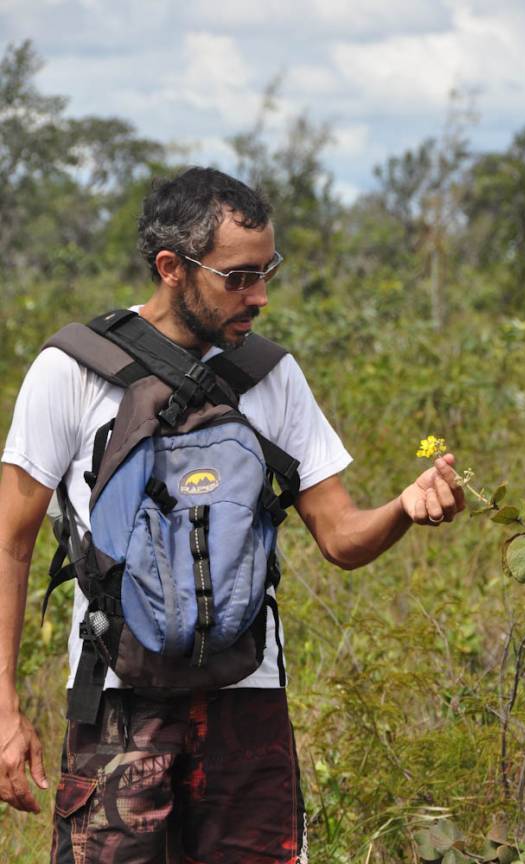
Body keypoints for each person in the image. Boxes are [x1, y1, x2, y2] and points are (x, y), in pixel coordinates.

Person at [0, 166, 465, 863]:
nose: (261, 296)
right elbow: (10, 543)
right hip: (118, 698)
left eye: (266, 270)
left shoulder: (273, 375)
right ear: (171, 267)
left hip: (248, 697)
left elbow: (341, 538)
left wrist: (403, 507)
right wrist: (3, 707)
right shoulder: (72, 370)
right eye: (239, 276)